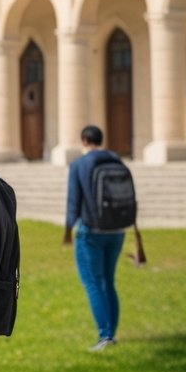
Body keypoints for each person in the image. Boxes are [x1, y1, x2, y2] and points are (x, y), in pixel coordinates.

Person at [64, 124, 126, 351]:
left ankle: (105, 336)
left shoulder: (79, 164)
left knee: (93, 283)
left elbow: (73, 201)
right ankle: (111, 334)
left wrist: (67, 231)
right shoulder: (116, 159)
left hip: (90, 231)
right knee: (108, 281)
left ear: (83, 140)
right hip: (117, 230)